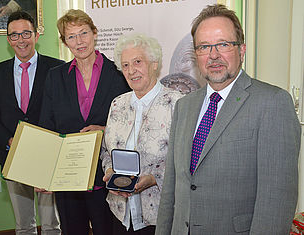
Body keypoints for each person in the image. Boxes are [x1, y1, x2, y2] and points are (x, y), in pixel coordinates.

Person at [156, 4, 301, 235]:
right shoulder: (184, 106)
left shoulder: (273, 103)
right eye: (204, 47)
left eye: (223, 44)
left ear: (241, 50)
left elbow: (276, 200)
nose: (213, 55)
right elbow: (171, 191)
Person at [38, 9, 131, 235]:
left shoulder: (119, 73)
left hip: (106, 175)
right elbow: (46, 125)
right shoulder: (55, 76)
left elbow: (133, 121)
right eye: (71, 36)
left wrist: (105, 129)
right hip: (68, 176)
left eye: (83, 33)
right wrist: (43, 173)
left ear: (95, 33)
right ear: (64, 42)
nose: (79, 41)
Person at [0, 11, 63, 235]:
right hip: (13, 156)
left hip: (48, 157)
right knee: (23, 225)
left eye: (26, 33)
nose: (21, 40)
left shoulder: (58, 69)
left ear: (36, 35)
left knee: (51, 225)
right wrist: (9, 139)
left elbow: (65, 113)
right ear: (8, 40)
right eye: (14, 35)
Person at [101, 34, 183, 234]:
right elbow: (106, 151)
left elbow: (184, 160)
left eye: (138, 62)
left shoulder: (177, 104)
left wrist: (154, 178)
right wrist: (109, 171)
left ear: (154, 64)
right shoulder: (117, 104)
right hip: (120, 213)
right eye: (126, 65)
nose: (131, 71)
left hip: (159, 216)